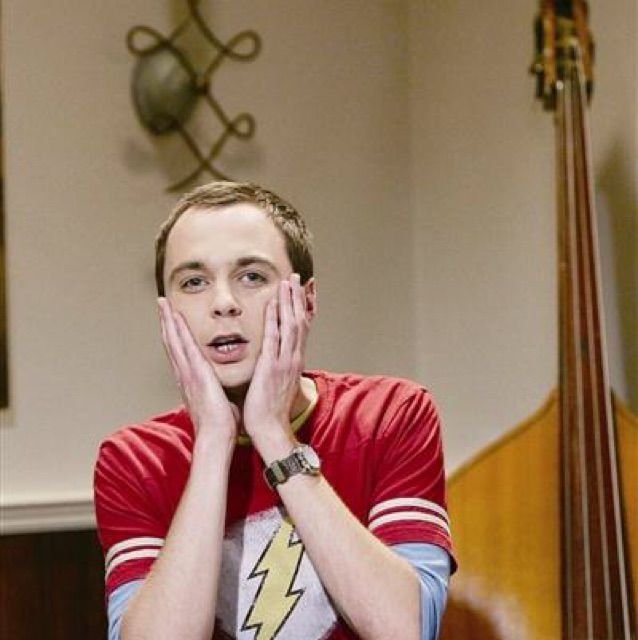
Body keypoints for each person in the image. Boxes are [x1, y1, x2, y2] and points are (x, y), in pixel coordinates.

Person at [94, 181, 454, 640]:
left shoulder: (392, 414)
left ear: (307, 300)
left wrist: (274, 433)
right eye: (194, 282)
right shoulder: (132, 460)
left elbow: (405, 630)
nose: (223, 304)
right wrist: (213, 443)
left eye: (252, 277)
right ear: (166, 314)